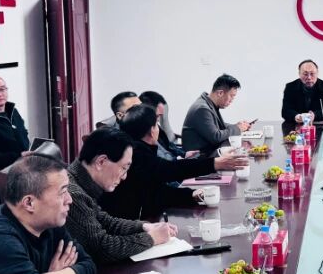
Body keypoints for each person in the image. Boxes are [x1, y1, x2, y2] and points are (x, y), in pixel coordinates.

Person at [103, 104, 246, 221]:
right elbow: (169, 170)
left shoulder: (135, 147)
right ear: (152, 131)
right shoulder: (135, 153)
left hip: (140, 217)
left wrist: (190, 195)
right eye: (157, 125)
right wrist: (215, 163)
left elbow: (155, 190)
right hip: (126, 224)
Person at [66, 128, 177, 264]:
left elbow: (106, 222)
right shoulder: (73, 194)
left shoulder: (82, 182)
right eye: (124, 168)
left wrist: (144, 227)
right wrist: (152, 238)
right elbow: (102, 248)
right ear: (101, 162)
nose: (124, 177)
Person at [182, 74, 252, 156]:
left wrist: (238, 126)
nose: (232, 100)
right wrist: (237, 128)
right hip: (200, 157)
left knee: (243, 150)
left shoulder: (207, 102)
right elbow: (216, 137)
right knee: (244, 153)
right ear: (220, 93)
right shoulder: (202, 109)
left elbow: (216, 125)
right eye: (231, 96)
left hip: (209, 150)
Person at [281, 59, 323, 133]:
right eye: (305, 74)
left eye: (312, 74)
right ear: (299, 74)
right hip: (296, 128)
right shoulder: (290, 87)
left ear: (317, 73)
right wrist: (296, 116)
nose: (309, 77)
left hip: (321, 127)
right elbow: (285, 111)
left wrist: (315, 115)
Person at [139, 90, 186, 159]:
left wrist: (185, 154)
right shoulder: (145, 135)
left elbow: (169, 145)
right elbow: (163, 158)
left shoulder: (156, 127)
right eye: (157, 116)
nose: (158, 120)